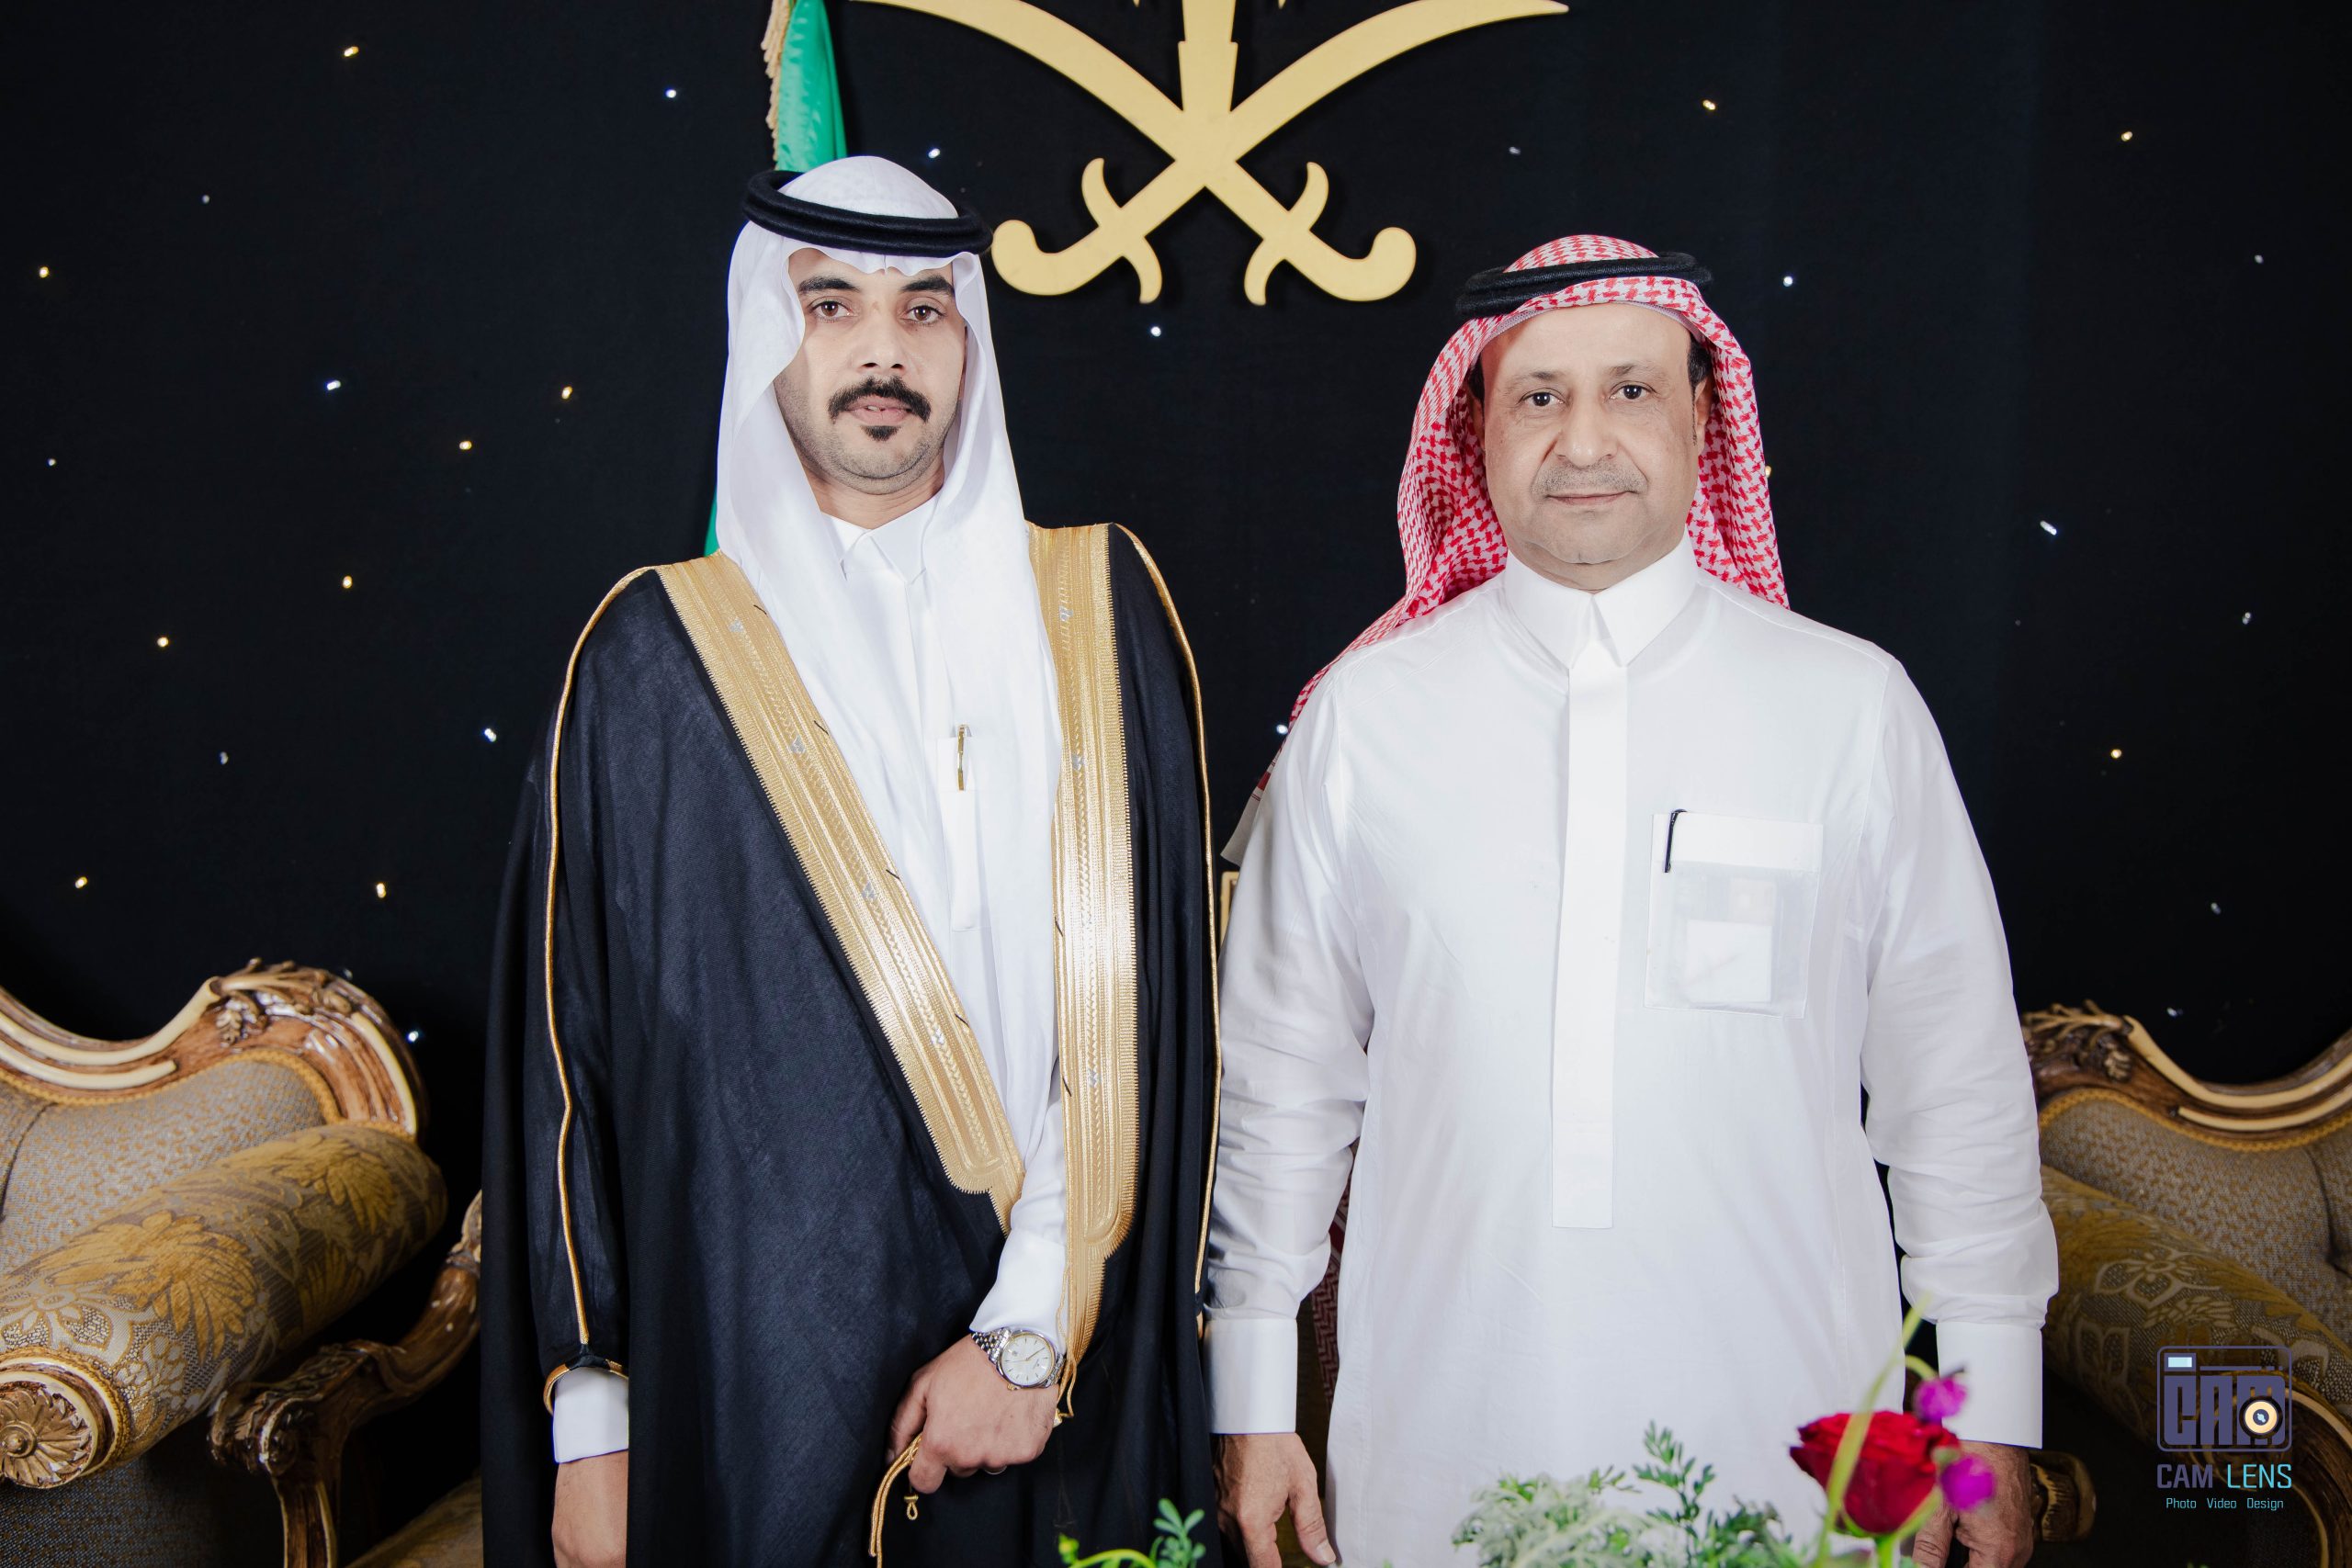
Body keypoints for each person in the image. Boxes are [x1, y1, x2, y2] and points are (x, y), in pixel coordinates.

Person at [1205, 236, 2056, 1568]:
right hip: (1442, 1441)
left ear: (1704, 418)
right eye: (1539, 396)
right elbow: (1277, 1088)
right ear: (1478, 429)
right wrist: (1254, 1403)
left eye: (1632, 390)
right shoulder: (1365, 722)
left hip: (1795, 1442)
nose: (1585, 440)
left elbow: (1956, 1089)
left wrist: (1993, 1414)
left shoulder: (1850, 711)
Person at [480, 156, 1223, 1568]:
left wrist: (1025, 1334)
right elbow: (567, 1069)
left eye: (924, 308)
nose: (885, 347)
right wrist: (595, 1426)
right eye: (831, 304)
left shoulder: (1097, 607)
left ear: (969, 343)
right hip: (748, 1388)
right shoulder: (652, 658)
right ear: (769, 331)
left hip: (1061, 1366)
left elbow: (1151, 1018)